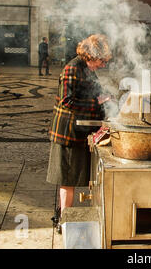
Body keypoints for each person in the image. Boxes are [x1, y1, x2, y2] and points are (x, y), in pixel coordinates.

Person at [46, 34, 112, 233]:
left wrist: (107, 110)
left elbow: (95, 94)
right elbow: (67, 101)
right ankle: (64, 221)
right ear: (91, 55)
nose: (102, 65)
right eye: (101, 60)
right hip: (68, 133)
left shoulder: (87, 68)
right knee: (68, 179)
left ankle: (65, 217)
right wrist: (97, 103)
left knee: (74, 176)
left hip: (80, 131)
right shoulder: (72, 68)